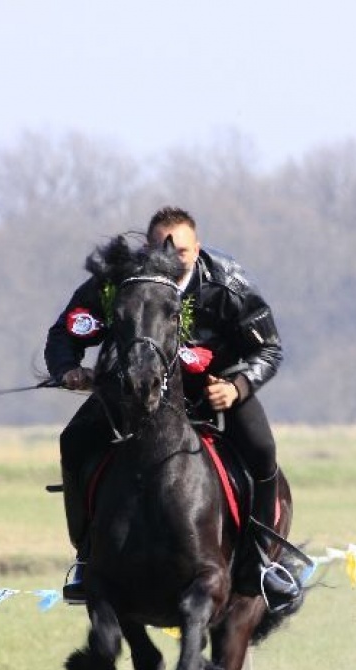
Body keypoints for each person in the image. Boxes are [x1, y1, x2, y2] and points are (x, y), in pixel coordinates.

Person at [44, 206, 299, 610]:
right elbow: (66, 332)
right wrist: (69, 369)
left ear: (196, 248)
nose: (173, 256)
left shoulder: (228, 283)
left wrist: (237, 387)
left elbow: (268, 347)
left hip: (214, 392)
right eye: (162, 247)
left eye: (181, 249)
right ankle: (87, 556)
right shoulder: (116, 281)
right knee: (73, 441)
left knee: (263, 450)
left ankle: (263, 562)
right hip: (132, 396)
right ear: (147, 248)